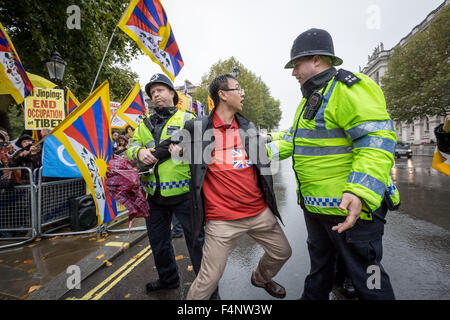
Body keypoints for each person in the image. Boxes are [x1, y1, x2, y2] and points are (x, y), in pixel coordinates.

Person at [267, 28, 399, 300]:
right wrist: (245, 153)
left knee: (369, 280)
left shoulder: (349, 87)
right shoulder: (309, 100)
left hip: (351, 209)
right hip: (318, 210)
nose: (293, 73)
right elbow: (292, 140)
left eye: (296, 65)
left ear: (316, 59)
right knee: (319, 272)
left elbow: (376, 139)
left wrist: (360, 191)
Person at [182, 74, 292, 300]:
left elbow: (263, 156)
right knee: (208, 280)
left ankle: (260, 278)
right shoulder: (197, 128)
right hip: (221, 220)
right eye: (237, 88)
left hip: (259, 212)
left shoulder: (247, 127)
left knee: (282, 252)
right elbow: (169, 146)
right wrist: (147, 153)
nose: (243, 93)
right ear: (222, 95)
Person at [126, 73, 217, 297]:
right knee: (158, 244)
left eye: (160, 90)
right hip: (154, 196)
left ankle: (208, 289)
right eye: (152, 92)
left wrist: (186, 151)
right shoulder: (143, 124)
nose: (155, 95)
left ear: (172, 94)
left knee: (197, 243)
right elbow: (130, 149)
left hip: (184, 195)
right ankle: (168, 279)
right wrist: (139, 152)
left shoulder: (188, 118)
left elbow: (207, 150)